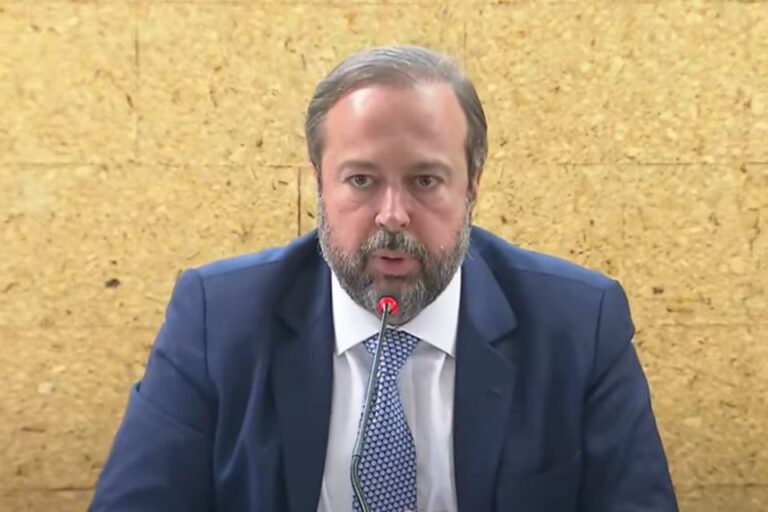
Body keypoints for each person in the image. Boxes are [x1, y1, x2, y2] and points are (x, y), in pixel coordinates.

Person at [89, 45, 677, 511]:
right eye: (361, 180)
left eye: (425, 181)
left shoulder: (578, 324)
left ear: (472, 186)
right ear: (319, 183)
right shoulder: (218, 318)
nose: (392, 215)